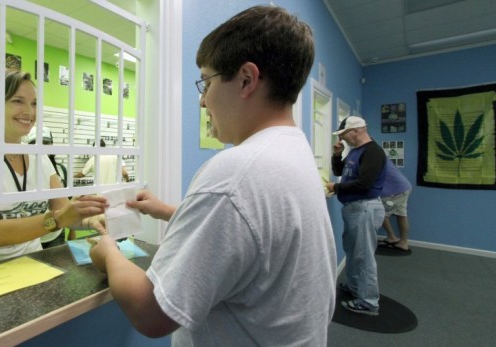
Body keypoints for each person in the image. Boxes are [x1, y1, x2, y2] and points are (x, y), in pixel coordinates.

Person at [89, 6, 336, 346]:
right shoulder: (292, 151)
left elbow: (151, 311)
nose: (203, 102)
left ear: (247, 80)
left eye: (206, 82)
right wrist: (165, 210)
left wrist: (108, 254)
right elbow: (255, 236)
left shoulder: (236, 173)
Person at [0, 69, 108, 276]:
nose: (29, 112)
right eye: (18, 101)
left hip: (28, 269)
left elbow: (64, 212)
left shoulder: (39, 157)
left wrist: (92, 220)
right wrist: (62, 217)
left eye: (34, 103)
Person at [326, 116, 387, 316]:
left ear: (356, 131)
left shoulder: (373, 152)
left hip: (365, 208)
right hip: (354, 208)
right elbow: (339, 171)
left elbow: (364, 183)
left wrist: (336, 187)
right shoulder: (355, 152)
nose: (343, 139)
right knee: (352, 251)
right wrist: (337, 155)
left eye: (344, 135)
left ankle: (369, 302)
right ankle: (354, 286)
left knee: (364, 256)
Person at [27, 126, 70, 248]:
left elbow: (65, 204)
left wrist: (72, 229)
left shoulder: (61, 170)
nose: (41, 147)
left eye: (45, 143)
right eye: (35, 143)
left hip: (55, 233)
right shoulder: (24, 171)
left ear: (51, 144)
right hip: (30, 235)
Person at [378, 159, 412, 252]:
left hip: (394, 191)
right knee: (401, 214)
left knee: (380, 213)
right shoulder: (381, 156)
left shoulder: (372, 158)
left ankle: (392, 237)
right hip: (404, 188)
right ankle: (403, 242)